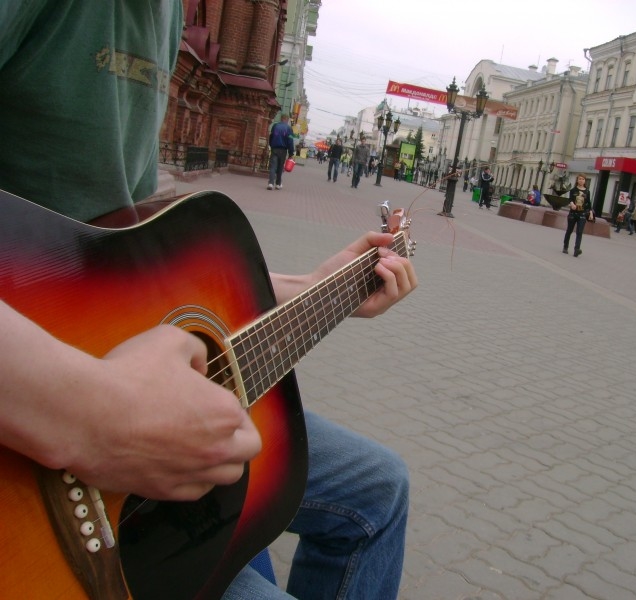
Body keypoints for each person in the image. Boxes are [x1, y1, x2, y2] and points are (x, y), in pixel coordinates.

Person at [0, 5, 418, 600]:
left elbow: (131, 251)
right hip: (30, 442)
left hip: (110, 366)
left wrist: (313, 286)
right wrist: (93, 416)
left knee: (381, 486)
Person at [562, 174, 594, 257]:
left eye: (583, 179)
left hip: (582, 214)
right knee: (569, 230)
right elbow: (570, 199)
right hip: (573, 213)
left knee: (579, 232)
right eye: (579, 179)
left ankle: (576, 249)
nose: (581, 180)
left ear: (585, 181)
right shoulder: (573, 190)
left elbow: (588, 203)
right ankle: (565, 246)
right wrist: (572, 204)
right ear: (577, 180)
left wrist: (590, 212)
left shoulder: (587, 191)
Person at [268, 114, 295, 191]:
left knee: (273, 166)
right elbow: (290, 141)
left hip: (274, 148)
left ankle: (270, 183)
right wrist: (291, 153)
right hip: (283, 150)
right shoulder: (289, 128)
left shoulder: (275, 126)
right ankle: (278, 184)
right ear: (287, 119)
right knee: (280, 167)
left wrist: (271, 145)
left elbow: (271, 136)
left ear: (281, 118)